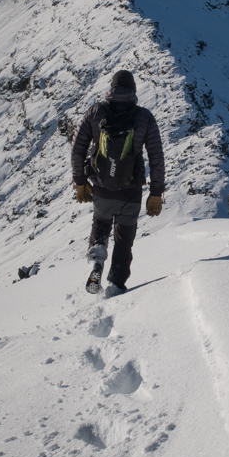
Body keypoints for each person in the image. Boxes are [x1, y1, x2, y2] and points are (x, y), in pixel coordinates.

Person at [71, 70, 165, 296]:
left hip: (101, 188)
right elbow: (156, 156)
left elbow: (77, 148)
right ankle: (116, 284)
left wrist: (80, 181)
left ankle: (97, 261)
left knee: (101, 224)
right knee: (124, 240)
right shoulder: (144, 117)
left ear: (111, 89)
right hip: (130, 192)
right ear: (133, 91)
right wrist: (155, 193)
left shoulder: (96, 112)